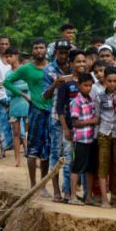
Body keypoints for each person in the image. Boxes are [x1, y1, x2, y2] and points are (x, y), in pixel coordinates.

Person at [3, 38, 51, 190]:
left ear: (46, 50)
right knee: (32, 149)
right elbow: (7, 82)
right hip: (35, 110)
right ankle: (32, 184)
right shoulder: (26, 68)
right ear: (32, 51)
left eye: (41, 47)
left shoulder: (51, 67)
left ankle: (42, 185)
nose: (39, 50)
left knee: (46, 150)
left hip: (51, 111)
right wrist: (23, 95)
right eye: (36, 48)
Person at [54, 49, 88, 201]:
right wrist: (66, 129)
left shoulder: (88, 80)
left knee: (82, 160)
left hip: (85, 129)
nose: (81, 64)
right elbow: (60, 108)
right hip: (69, 127)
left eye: (83, 61)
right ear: (71, 63)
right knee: (68, 159)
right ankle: (67, 192)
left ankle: (81, 193)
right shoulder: (66, 83)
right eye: (78, 62)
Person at [44, 40, 73, 200]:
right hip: (55, 116)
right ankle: (56, 190)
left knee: (69, 155)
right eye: (60, 52)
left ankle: (67, 190)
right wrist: (55, 84)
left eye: (65, 52)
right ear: (56, 52)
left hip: (71, 118)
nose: (63, 55)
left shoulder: (73, 68)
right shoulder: (49, 70)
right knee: (55, 153)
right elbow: (45, 96)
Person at [95, 66, 116, 208]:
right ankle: (104, 198)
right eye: (110, 81)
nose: (112, 84)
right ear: (105, 80)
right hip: (104, 133)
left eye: (115, 81)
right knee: (103, 166)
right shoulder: (99, 96)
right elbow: (97, 116)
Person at [68, 72, 99, 205]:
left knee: (91, 169)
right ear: (79, 85)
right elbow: (75, 123)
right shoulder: (76, 101)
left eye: (90, 85)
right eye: (85, 85)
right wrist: (92, 121)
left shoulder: (91, 100)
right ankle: (73, 196)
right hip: (81, 139)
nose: (88, 88)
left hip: (91, 139)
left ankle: (88, 196)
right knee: (77, 167)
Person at [3, 47, 28, 167]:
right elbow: (8, 92)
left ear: (16, 56)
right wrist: (21, 89)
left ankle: (31, 156)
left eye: (10, 56)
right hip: (14, 105)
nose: (8, 59)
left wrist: (15, 88)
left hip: (27, 104)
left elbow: (29, 85)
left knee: (30, 132)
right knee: (16, 132)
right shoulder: (8, 73)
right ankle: (17, 159)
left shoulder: (25, 70)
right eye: (6, 56)